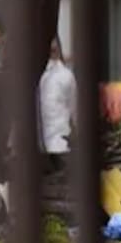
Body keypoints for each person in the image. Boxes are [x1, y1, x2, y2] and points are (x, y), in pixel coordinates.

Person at [38, 37, 76, 168]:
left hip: (58, 148)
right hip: (42, 150)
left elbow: (74, 112)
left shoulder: (65, 76)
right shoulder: (33, 74)